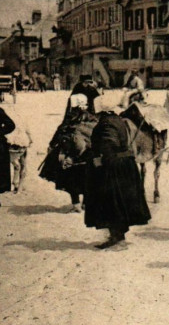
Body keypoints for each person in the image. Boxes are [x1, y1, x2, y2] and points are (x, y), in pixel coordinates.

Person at [84, 105, 152, 249]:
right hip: (123, 165)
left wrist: (101, 160)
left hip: (114, 167)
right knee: (118, 203)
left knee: (113, 203)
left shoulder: (106, 123)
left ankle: (119, 240)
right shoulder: (118, 120)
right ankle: (116, 237)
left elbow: (109, 145)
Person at [40, 94, 96, 212]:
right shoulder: (92, 117)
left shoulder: (71, 117)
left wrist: (51, 145)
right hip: (89, 152)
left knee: (71, 177)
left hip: (71, 152)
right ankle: (86, 202)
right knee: (88, 177)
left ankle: (76, 203)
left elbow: (60, 131)